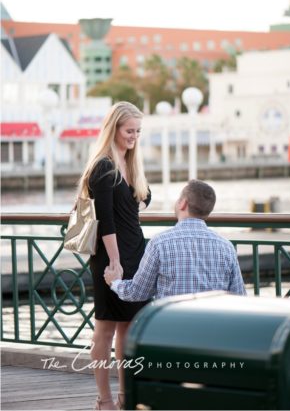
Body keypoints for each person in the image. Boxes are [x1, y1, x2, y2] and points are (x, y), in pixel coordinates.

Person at [75, 101, 152, 410]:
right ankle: (104, 399)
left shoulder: (130, 162)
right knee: (106, 325)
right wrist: (115, 263)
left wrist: (130, 210)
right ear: (114, 129)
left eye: (138, 131)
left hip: (137, 252)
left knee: (129, 325)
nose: (134, 136)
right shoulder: (103, 166)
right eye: (129, 131)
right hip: (112, 257)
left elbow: (145, 197)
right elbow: (105, 220)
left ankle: (125, 395)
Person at [104, 179, 245, 300]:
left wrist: (115, 282)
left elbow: (138, 292)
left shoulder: (159, 243)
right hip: (213, 329)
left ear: (183, 203)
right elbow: (239, 296)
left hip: (170, 328)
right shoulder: (227, 247)